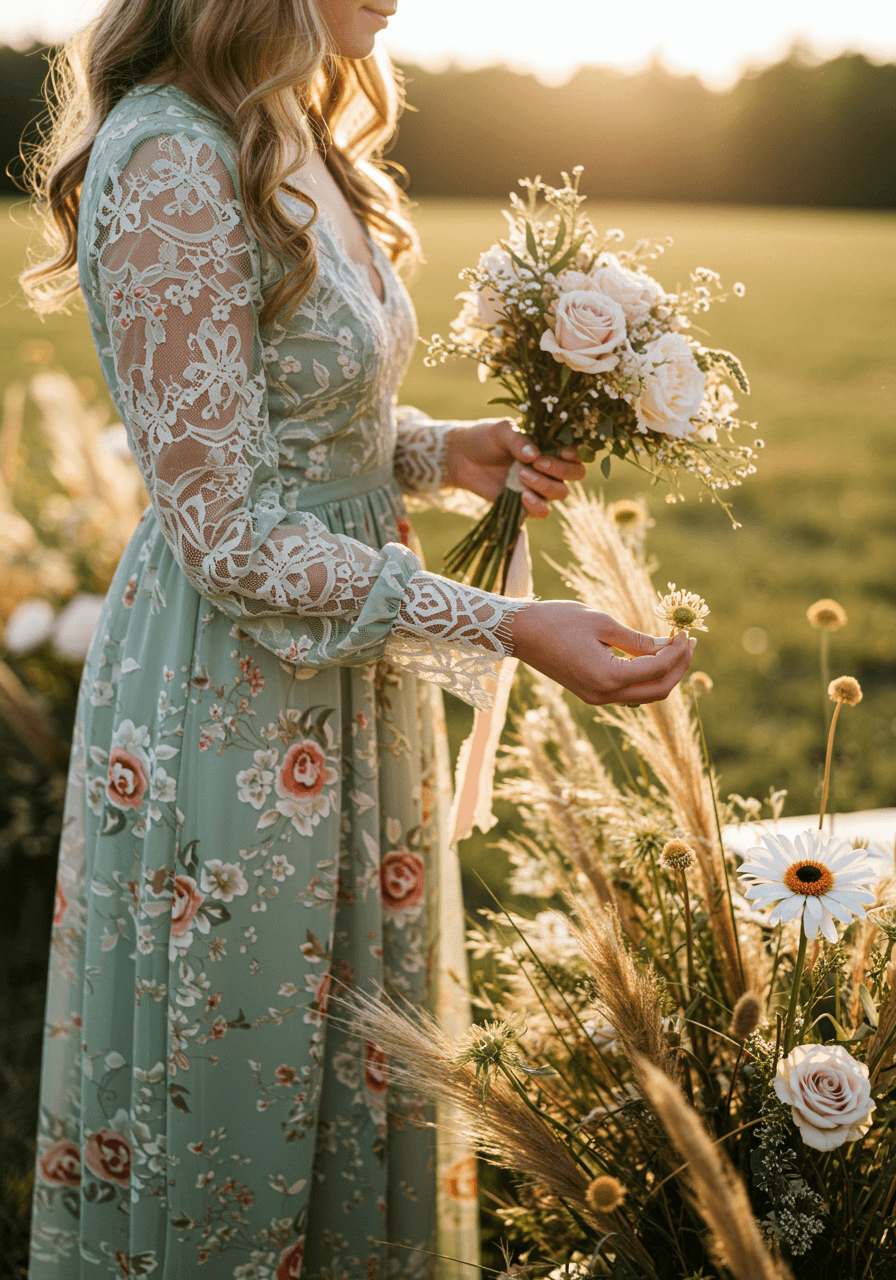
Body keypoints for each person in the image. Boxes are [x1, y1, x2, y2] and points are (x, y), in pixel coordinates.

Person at [22, 0, 696, 1274]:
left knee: (347, 1060)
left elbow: (292, 415)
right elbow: (227, 530)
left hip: (350, 668)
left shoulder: (292, 122)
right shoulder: (171, 155)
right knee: (242, 1075)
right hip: (236, 691)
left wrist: (441, 450)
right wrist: (508, 623)